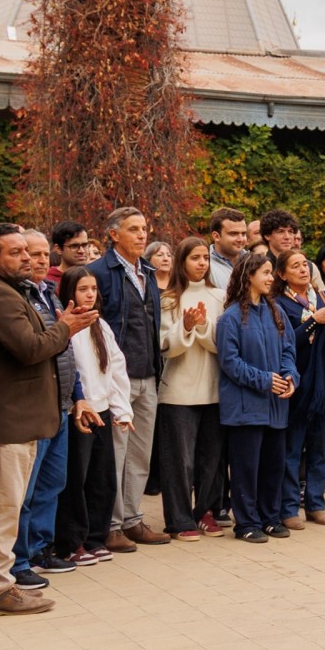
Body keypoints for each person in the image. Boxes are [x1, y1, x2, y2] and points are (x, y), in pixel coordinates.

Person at [0, 223, 81, 614]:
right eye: (15, 253)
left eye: (26, 252)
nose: (26, 258)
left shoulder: (10, 291)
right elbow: (30, 348)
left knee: (4, 503)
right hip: (3, 419)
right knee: (3, 505)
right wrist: (67, 327)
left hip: (16, 417)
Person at [10, 230, 98, 586]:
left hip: (60, 404)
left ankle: (41, 549)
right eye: (33, 254)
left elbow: (66, 352)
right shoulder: (16, 298)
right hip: (34, 407)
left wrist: (78, 395)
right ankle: (19, 559)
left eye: (45, 253)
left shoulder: (48, 294)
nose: (41, 260)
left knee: (51, 484)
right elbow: (35, 347)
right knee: (25, 491)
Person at [92, 207, 168, 549]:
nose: (142, 235)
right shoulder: (99, 273)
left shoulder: (147, 273)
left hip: (148, 375)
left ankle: (133, 519)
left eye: (144, 228)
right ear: (113, 235)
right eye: (134, 229)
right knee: (115, 456)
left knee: (140, 456)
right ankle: (110, 525)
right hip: (116, 380)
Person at [216, 253, 298, 543]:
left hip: (276, 407)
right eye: (265, 272)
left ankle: (270, 518)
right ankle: (246, 523)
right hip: (245, 408)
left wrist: (290, 378)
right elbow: (230, 362)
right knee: (246, 469)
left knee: (274, 466)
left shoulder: (276, 312)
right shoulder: (230, 318)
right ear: (248, 275)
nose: (270, 278)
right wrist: (264, 380)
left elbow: (289, 350)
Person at [273, 249, 325, 529]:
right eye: (295, 266)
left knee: (320, 449)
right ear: (282, 274)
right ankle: (288, 508)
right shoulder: (278, 303)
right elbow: (283, 343)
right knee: (292, 450)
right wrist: (312, 321)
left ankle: (316, 504)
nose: (303, 270)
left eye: (305, 265)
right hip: (297, 386)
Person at [155, 237, 225, 541]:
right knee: (179, 461)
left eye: (205, 258)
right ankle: (179, 518)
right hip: (178, 391)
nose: (202, 263)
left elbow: (222, 343)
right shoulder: (168, 299)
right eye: (195, 258)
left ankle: (206, 512)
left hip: (213, 388)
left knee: (211, 458)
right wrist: (184, 326)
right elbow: (166, 346)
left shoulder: (220, 296)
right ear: (182, 262)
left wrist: (200, 326)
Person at [56, 268, 127, 565]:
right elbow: (71, 370)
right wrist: (77, 402)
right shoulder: (65, 327)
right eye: (83, 289)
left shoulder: (101, 326)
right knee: (77, 480)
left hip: (101, 409)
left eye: (94, 288)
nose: (90, 294)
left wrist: (121, 409)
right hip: (79, 412)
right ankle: (73, 542)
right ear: (69, 293)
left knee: (102, 478)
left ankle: (96, 537)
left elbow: (115, 367)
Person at [208, 208, 249, 289]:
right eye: (233, 234)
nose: (240, 239)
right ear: (216, 236)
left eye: (243, 234)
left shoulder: (253, 262)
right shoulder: (205, 267)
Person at [47, 221, 95, 289]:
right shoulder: (49, 283)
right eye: (74, 246)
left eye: (85, 245)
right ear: (58, 249)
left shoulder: (94, 277)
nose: (81, 251)